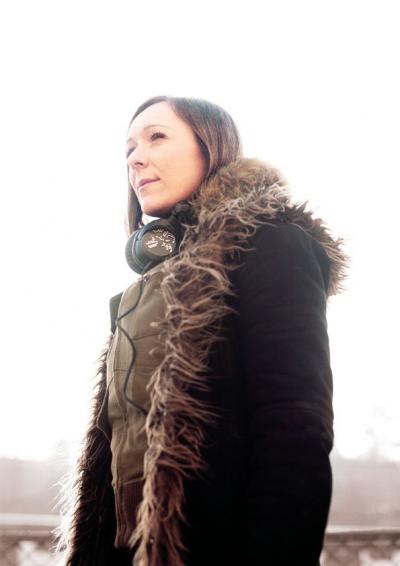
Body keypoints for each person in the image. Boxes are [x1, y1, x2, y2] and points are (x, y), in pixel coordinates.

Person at [57, 95, 350, 566]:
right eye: (129, 148)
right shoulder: (144, 290)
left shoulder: (272, 245)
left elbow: (294, 428)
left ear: (211, 147)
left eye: (156, 137)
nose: (135, 158)